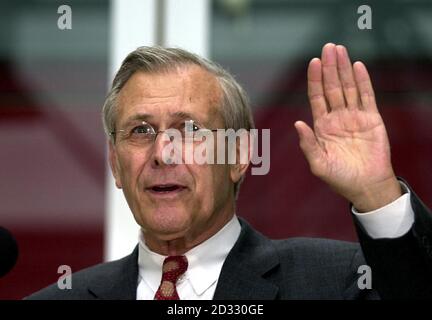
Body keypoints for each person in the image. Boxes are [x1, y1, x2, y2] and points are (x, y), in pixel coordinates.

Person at [27, 43, 432, 300]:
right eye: (141, 131)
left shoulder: (337, 281)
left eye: (189, 130)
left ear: (239, 155)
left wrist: (378, 195)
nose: (162, 152)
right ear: (116, 163)